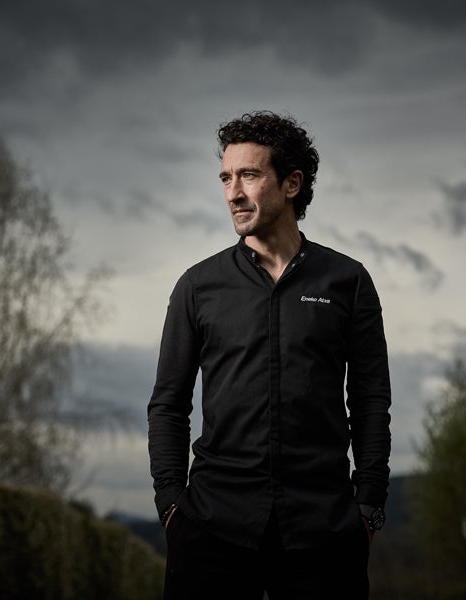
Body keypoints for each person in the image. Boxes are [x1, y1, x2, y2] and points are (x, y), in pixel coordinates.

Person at [147, 110, 392, 599]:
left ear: (291, 184)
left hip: (323, 531)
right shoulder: (198, 287)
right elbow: (168, 404)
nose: (233, 193)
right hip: (212, 527)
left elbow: (370, 401)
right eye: (226, 178)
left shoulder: (348, 282)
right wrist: (171, 503)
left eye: (249, 175)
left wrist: (368, 505)